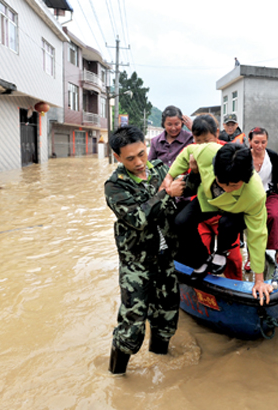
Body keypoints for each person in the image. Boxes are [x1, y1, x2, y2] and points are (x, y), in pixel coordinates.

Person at [104, 125, 195, 375]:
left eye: (142, 154)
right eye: (130, 158)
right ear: (118, 158)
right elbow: (138, 219)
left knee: (166, 319)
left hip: (165, 260)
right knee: (131, 328)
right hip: (137, 266)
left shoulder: (159, 169)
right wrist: (166, 193)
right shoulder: (115, 186)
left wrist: (195, 173)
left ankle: (159, 365)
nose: (139, 162)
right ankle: (117, 378)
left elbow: (183, 190)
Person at [169, 143, 274, 305]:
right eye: (222, 182)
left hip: (236, 209)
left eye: (233, 185)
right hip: (209, 200)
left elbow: (257, 235)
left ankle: (222, 251)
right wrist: (169, 177)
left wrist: (259, 280)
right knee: (181, 221)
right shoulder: (208, 152)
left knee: (228, 223)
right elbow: (188, 152)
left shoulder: (255, 195)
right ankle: (202, 260)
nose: (226, 188)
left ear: (246, 179)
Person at [190, 114, 243, 280]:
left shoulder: (232, 152)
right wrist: (194, 172)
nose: (204, 147)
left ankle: (236, 289)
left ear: (217, 134)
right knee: (200, 257)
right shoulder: (190, 154)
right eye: (200, 142)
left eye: (208, 141)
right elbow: (188, 188)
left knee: (234, 260)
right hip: (203, 218)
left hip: (226, 217)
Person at [244, 127, 278, 272]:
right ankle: (250, 257)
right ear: (250, 142)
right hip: (249, 196)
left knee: (274, 216)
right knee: (252, 223)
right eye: (256, 142)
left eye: (263, 142)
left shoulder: (272, 156)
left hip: (269, 193)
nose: (260, 146)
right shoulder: (244, 157)